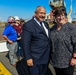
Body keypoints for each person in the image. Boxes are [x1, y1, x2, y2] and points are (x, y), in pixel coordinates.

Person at [21, 6, 50, 75]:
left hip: (45, 57)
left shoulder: (46, 24)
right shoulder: (28, 25)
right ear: (35, 13)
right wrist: (28, 58)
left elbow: (47, 39)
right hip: (35, 59)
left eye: (44, 13)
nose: (43, 15)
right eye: (41, 13)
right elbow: (25, 43)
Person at [50, 7, 76, 75]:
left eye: (62, 15)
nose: (61, 17)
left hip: (68, 62)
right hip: (55, 61)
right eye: (58, 15)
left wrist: (74, 58)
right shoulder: (52, 29)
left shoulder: (71, 28)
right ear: (55, 17)